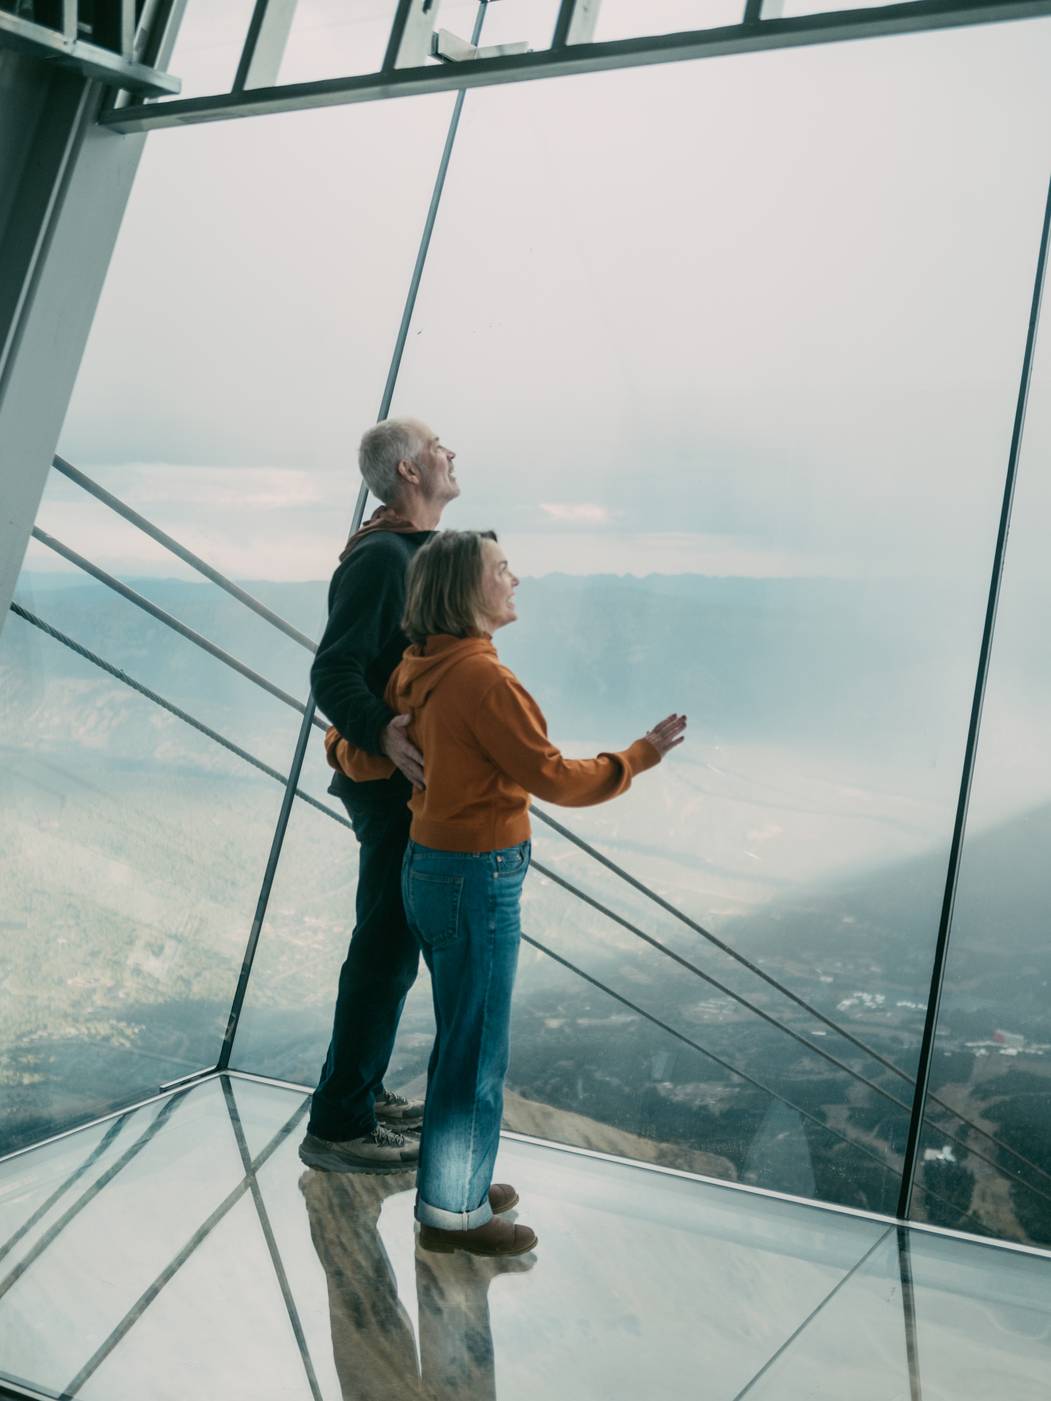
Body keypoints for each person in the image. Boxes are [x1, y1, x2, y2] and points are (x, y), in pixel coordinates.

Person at [327, 530, 687, 1255]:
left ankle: (452, 1178)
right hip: (475, 876)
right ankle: (453, 1214)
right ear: (470, 590)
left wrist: (343, 748)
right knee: (476, 1050)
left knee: (458, 1039)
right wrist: (639, 756)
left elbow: (361, 746)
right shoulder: (483, 681)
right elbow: (555, 777)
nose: (514, 579)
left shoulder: (419, 666)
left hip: (426, 867)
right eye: (501, 570)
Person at [299, 417, 459, 1172]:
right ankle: (340, 1123)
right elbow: (333, 669)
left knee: (387, 947)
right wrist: (383, 735)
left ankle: (354, 1094)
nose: (450, 453)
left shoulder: (408, 553)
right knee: (385, 951)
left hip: (402, 783)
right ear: (406, 471)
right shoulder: (384, 558)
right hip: (390, 785)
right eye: (437, 447)